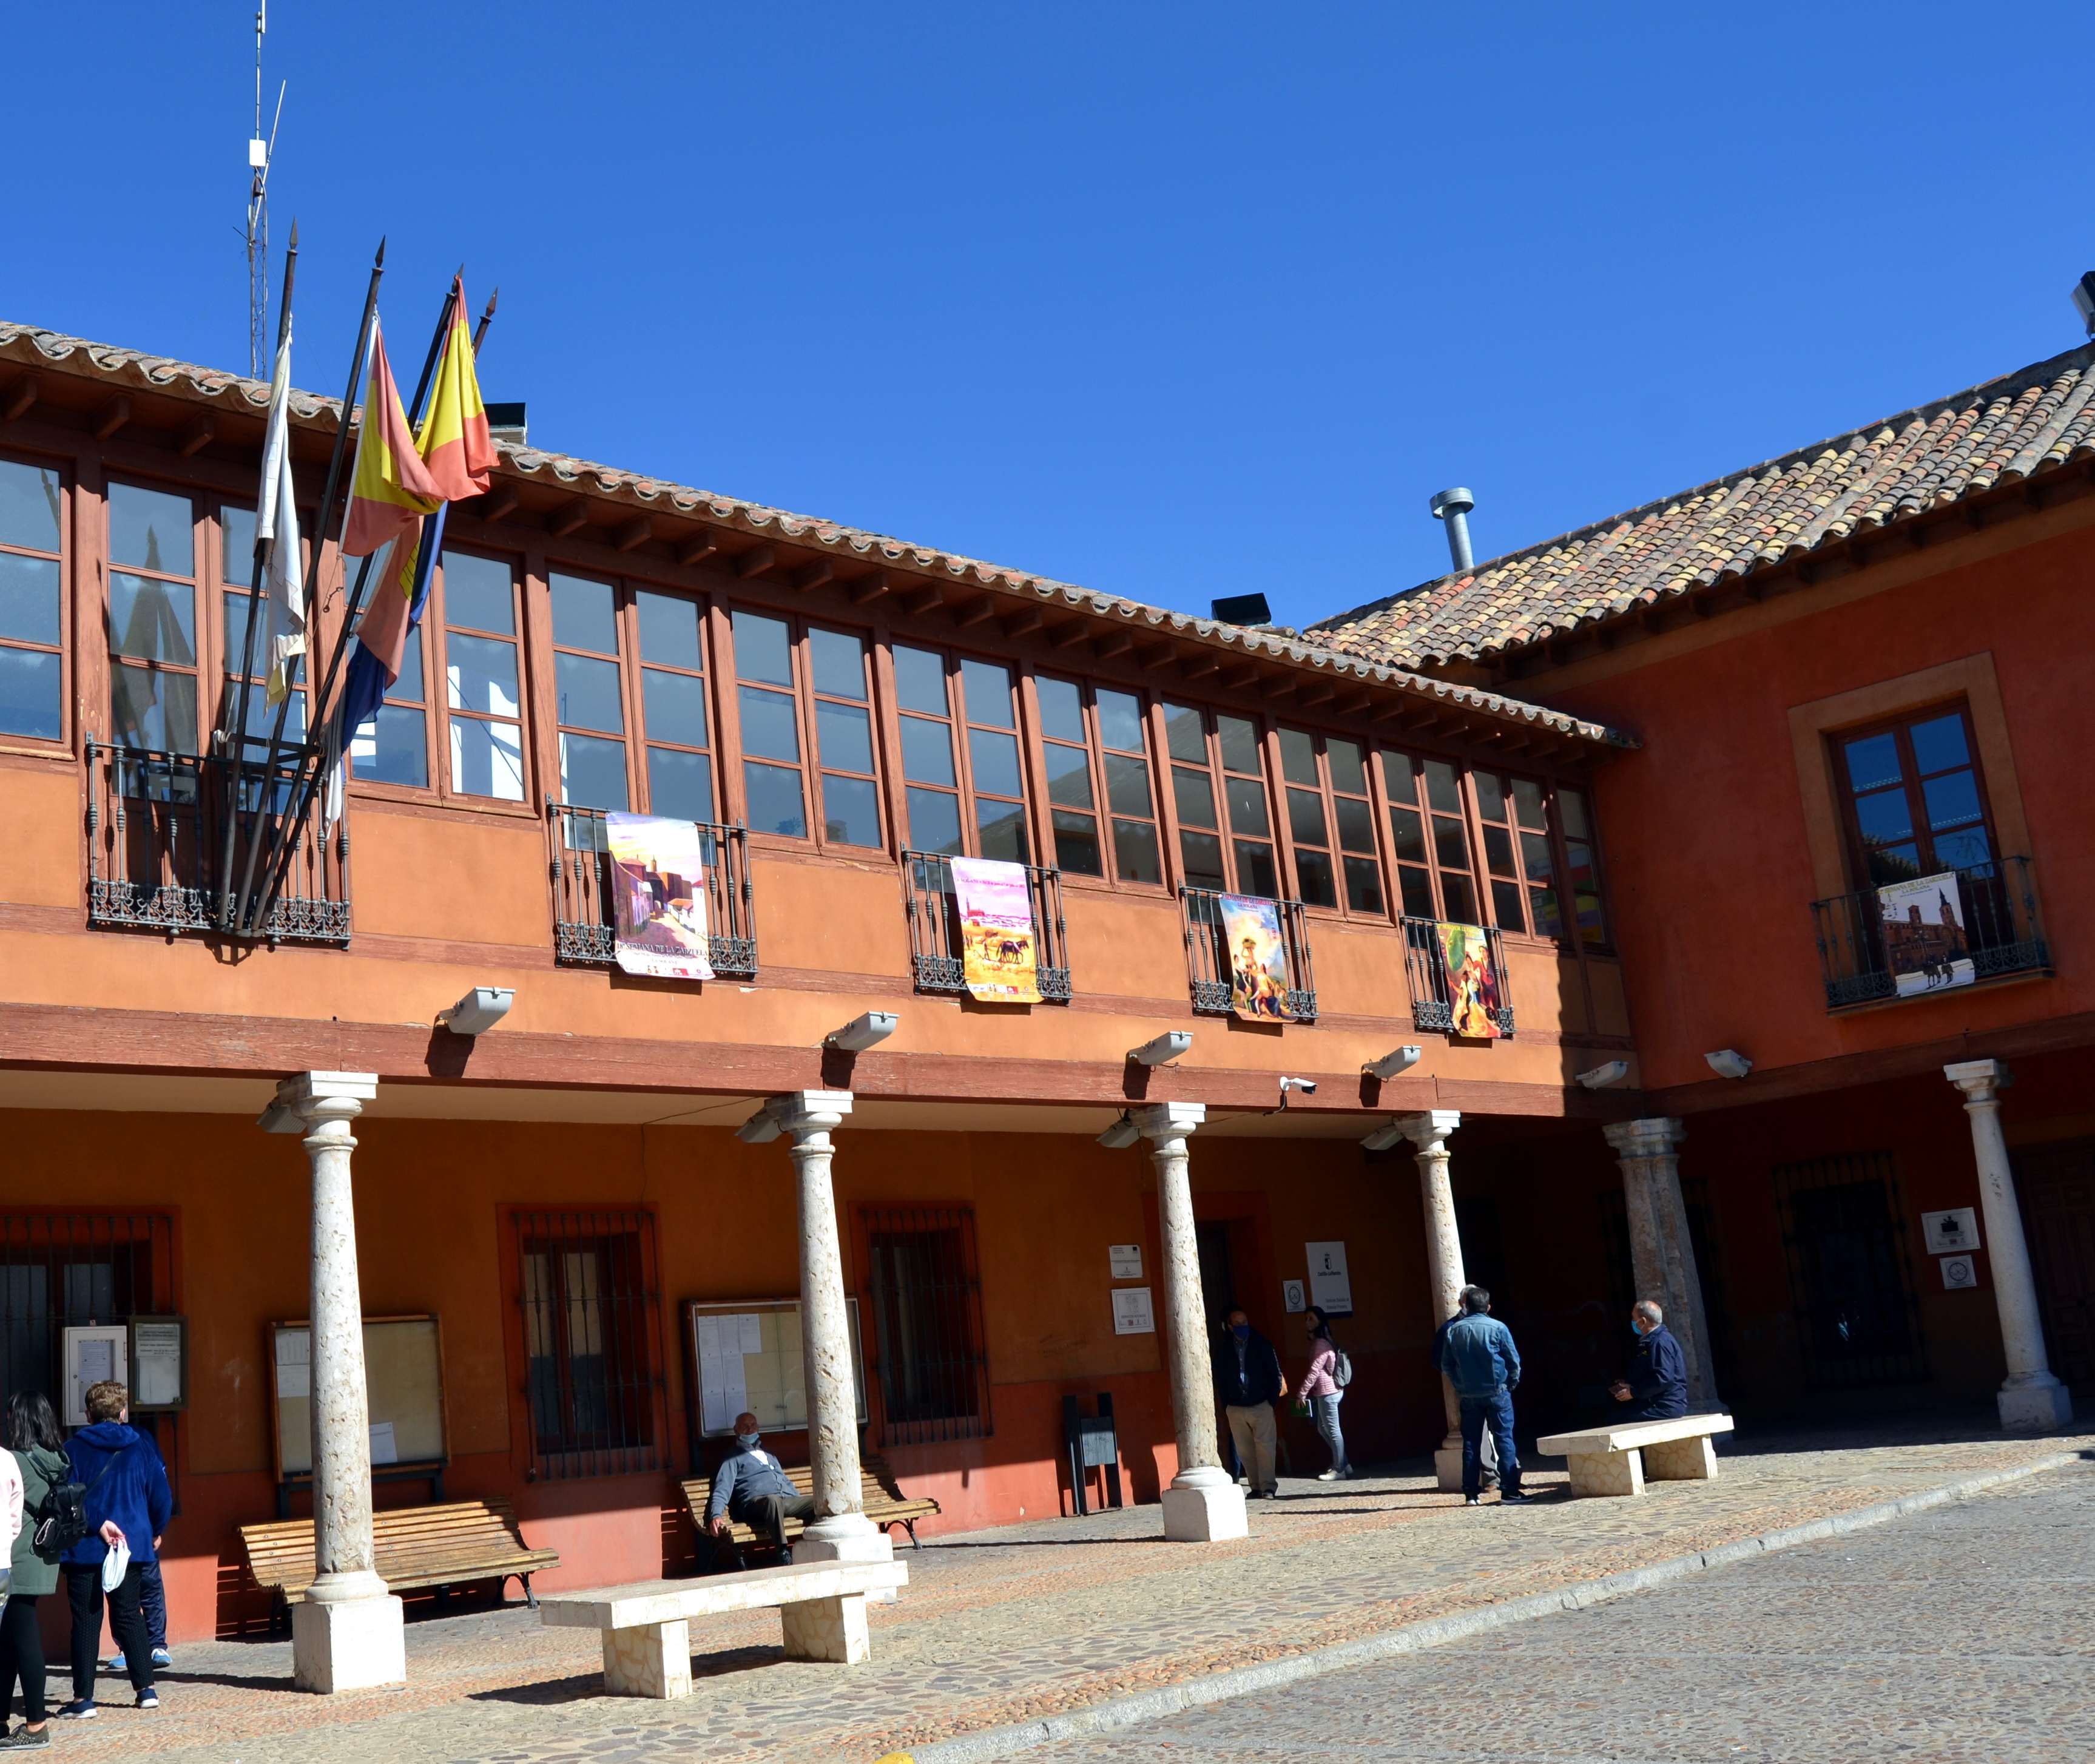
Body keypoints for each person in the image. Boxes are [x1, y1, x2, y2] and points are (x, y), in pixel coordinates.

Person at [58, 1380, 169, 1719]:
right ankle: (146, 1690)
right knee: (128, 1613)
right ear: (123, 1412)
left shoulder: (74, 1449)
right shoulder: (142, 1446)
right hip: (132, 1544)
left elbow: (67, 1499)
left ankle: (84, 1699)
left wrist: (95, 1523)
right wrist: (155, 1530)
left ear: (89, 1413)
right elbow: (162, 1497)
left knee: (87, 1620)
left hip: (87, 1547)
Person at [2, 1392, 69, 1749]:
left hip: (17, 1559)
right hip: (43, 1557)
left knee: (23, 1642)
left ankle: (36, 1724)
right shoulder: (56, 1459)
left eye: (11, 1415)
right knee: (11, 1642)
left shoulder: (14, 1460)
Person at [1437, 1287, 1530, 1506]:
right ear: (1488, 1307)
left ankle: (1471, 1493)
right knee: (1504, 1440)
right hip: (1497, 1392)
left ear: (1466, 1306)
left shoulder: (1453, 1331)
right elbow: (1513, 1361)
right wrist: (1511, 1384)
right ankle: (1509, 1491)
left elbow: (1446, 1365)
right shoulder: (1498, 1327)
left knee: (1471, 1443)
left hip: (1469, 1395)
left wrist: (1459, 1384)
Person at [705, 1414, 814, 1560]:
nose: (750, 1429)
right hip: (756, 1505)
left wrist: (798, 1500)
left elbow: (785, 1480)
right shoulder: (732, 1458)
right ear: (736, 1430)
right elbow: (723, 1488)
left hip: (785, 1500)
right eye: (745, 1426)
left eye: (753, 1425)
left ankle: (816, 1545)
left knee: (819, 1502)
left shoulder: (769, 1455)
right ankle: (783, 1552)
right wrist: (716, 1515)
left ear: (758, 1428)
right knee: (772, 1500)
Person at [1213, 1308, 1287, 1498]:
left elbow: (1275, 1374)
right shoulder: (1224, 1348)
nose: (1241, 1327)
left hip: (1261, 1404)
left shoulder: (1262, 1344)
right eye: (1237, 1324)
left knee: (1265, 1448)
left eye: (1244, 1322)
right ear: (1230, 1326)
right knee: (1245, 1449)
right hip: (1236, 1407)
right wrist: (1227, 1404)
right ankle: (1255, 1486)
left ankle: (1268, 1486)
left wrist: (1270, 1402)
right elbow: (1220, 1378)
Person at [1432, 1286, 1497, 1490]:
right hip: (1471, 1391)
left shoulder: (1492, 1326)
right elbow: (1441, 1362)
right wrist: (1459, 1381)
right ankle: (1490, 1478)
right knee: (1478, 1437)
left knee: (1501, 1433)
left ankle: (1509, 1475)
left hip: (1493, 1388)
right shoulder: (1449, 1329)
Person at [1610, 1298, 1689, 1421]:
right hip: (1656, 1403)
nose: (1632, 1322)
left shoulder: (1660, 1342)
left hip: (1665, 1405)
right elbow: (1650, 1373)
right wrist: (1630, 1383)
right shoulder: (1654, 1341)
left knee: (1617, 1419)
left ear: (1643, 1321)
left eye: (1633, 1318)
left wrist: (1633, 1392)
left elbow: (1663, 1378)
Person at [1298, 1306, 1351, 1480]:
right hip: (1326, 1391)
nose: (1307, 1322)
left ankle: (1339, 1469)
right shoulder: (1321, 1339)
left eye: (1311, 1319)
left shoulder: (1321, 1343)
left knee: (1333, 1430)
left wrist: (1302, 1393)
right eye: (1306, 1319)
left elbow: (1315, 1370)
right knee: (1323, 1428)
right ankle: (1344, 1463)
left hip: (1328, 1392)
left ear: (1320, 1321)